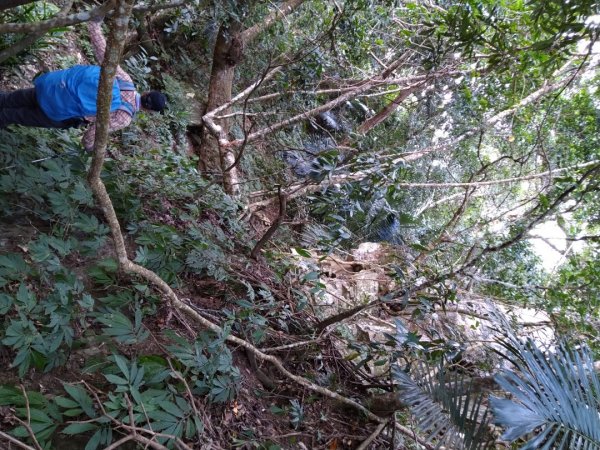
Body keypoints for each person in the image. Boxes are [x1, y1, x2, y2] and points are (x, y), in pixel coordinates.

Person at [0, 20, 166, 151]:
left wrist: (94, 25)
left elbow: (103, 53)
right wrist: (89, 147)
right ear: (148, 110)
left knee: (9, 99)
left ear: (146, 92)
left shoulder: (125, 81)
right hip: (60, 113)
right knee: (14, 116)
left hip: (55, 87)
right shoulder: (124, 117)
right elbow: (92, 134)